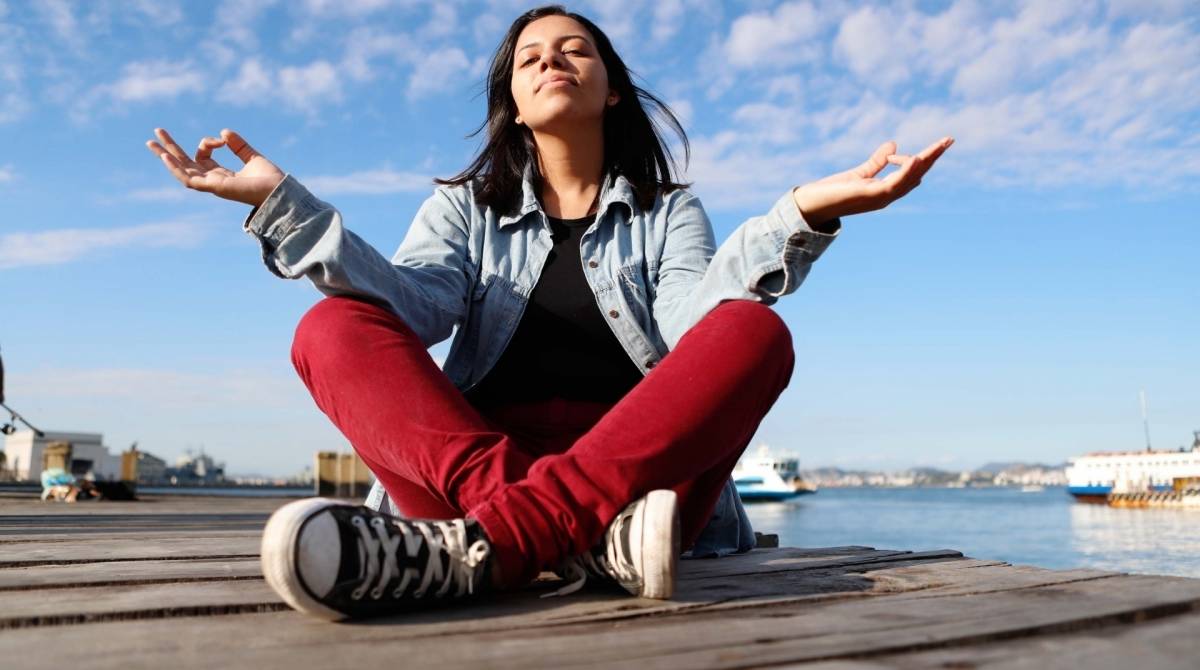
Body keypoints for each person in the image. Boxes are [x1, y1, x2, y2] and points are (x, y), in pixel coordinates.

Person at [146, 5, 951, 621]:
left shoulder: (669, 213)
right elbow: (412, 307)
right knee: (330, 329)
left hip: (638, 482)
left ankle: (493, 550)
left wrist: (803, 211)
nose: (552, 60)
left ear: (610, 87)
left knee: (753, 332)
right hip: (481, 480)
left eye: (575, 49)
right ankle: (562, 541)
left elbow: (693, 326)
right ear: (515, 102)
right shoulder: (463, 208)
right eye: (531, 56)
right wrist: (283, 207)